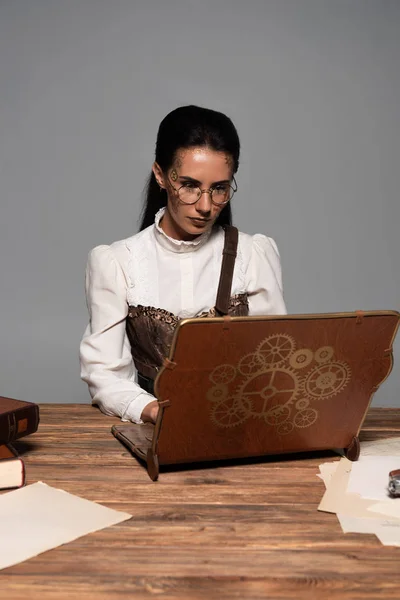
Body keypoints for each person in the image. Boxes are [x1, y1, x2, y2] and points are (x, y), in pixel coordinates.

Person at [80, 105, 287, 425]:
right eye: (190, 185)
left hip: (242, 427)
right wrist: (151, 411)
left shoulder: (254, 254)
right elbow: (105, 374)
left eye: (219, 189)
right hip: (156, 428)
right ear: (161, 175)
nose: (205, 206)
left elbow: (277, 361)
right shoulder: (117, 262)